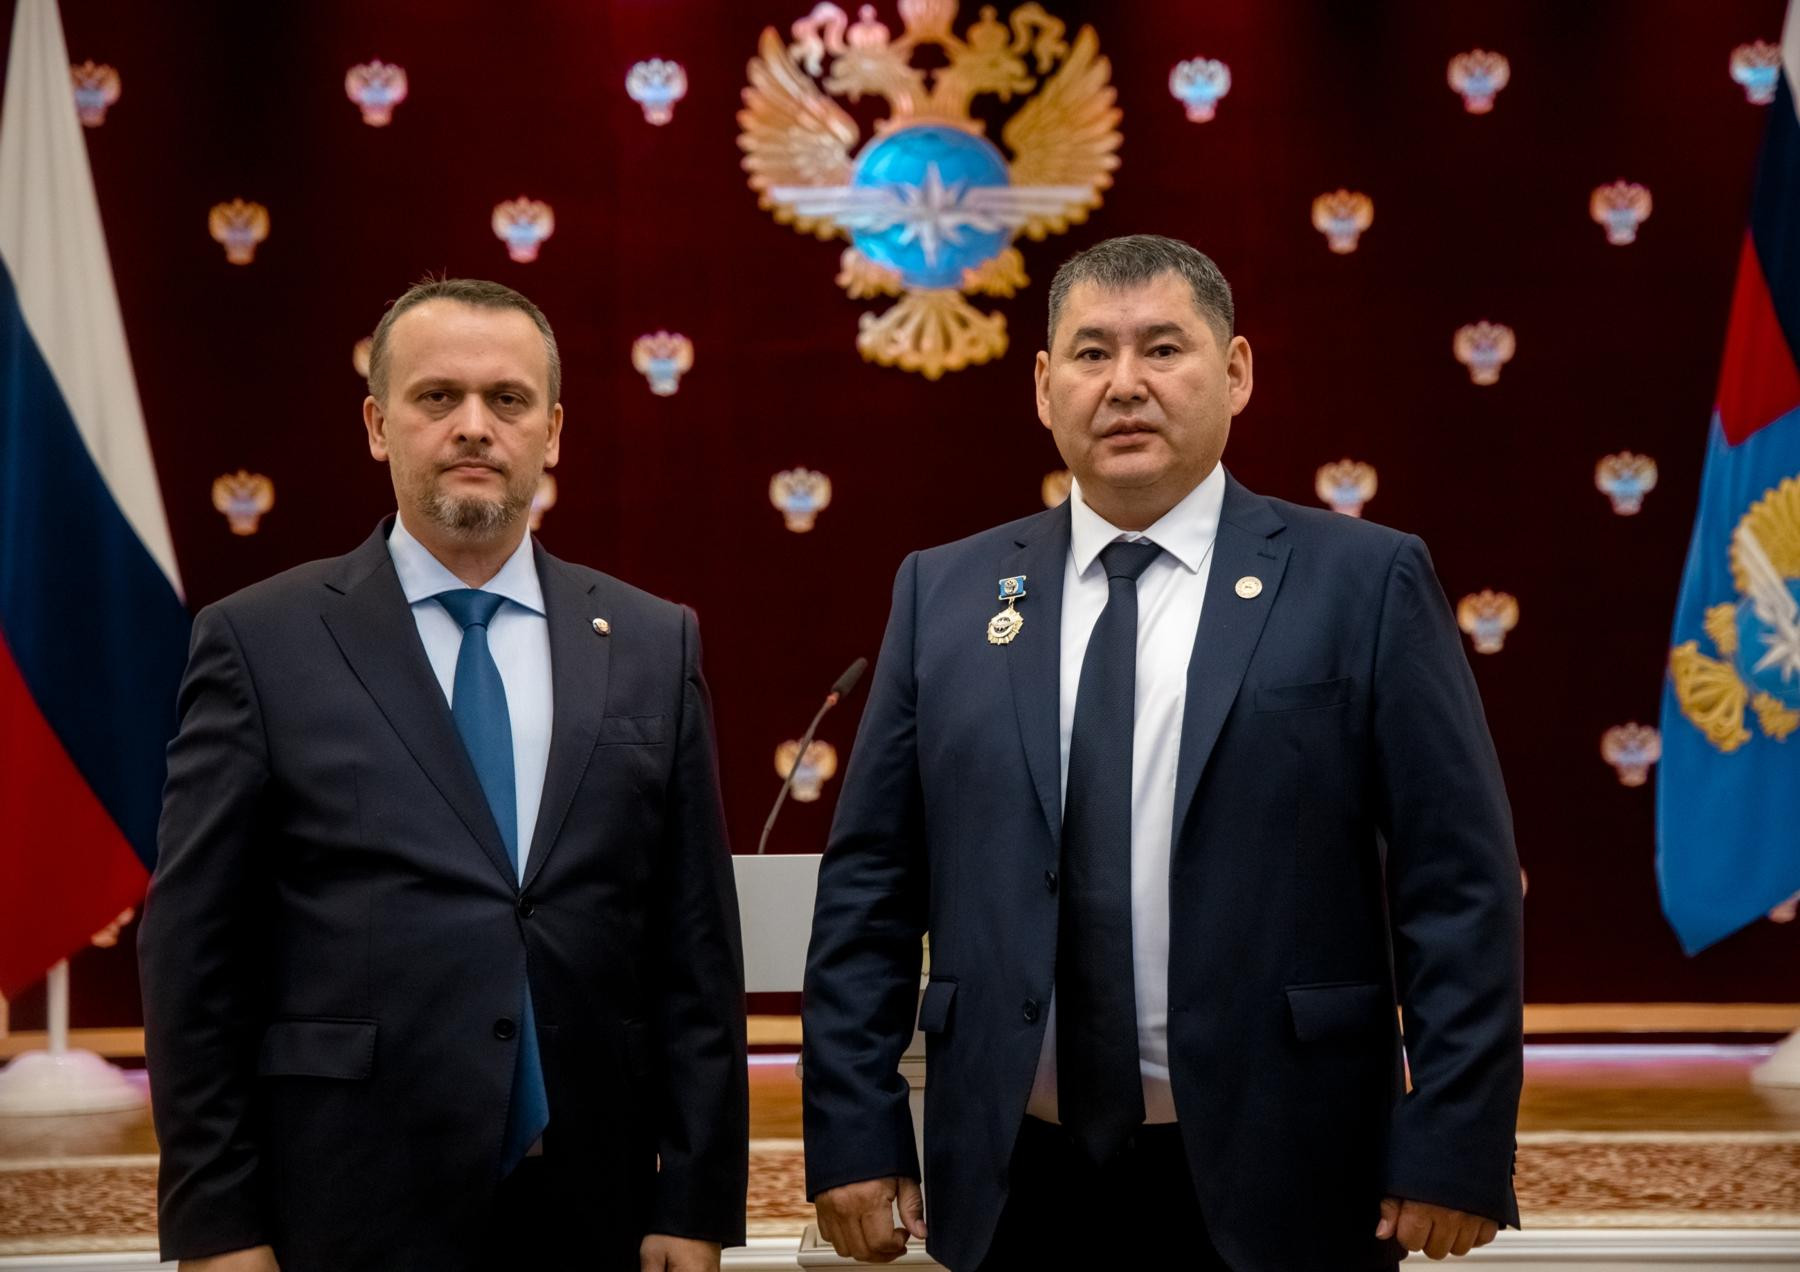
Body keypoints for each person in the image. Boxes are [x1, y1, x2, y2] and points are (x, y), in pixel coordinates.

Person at [801, 235, 1522, 1270]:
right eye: (1092, 353)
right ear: (1044, 387)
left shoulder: (1363, 583)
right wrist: (854, 1131)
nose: (1125, 384)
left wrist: (1456, 1138)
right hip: (1014, 1175)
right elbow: (869, 888)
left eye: (1163, 349)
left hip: (1292, 1168)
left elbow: (1459, 884)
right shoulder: (945, 593)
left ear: (1236, 373)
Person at [139, 278, 747, 1272]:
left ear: (553, 431)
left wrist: (695, 1199)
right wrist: (218, 1224)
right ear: (378, 426)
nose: (474, 426)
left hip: (593, 1201)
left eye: (507, 400)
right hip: (346, 1197)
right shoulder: (259, 642)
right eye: (436, 397)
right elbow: (194, 954)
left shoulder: (650, 641)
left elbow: (696, 949)